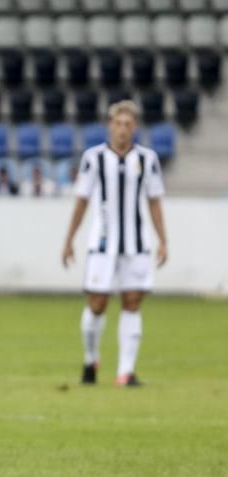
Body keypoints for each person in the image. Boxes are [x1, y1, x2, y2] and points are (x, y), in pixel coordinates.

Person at [61, 100, 168, 387]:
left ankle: (126, 371)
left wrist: (163, 240)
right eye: (118, 123)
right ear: (110, 125)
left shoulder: (147, 159)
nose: (122, 129)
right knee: (97, 303)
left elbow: (154, 201)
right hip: (102, 243)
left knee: (132, 302)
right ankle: (90, 358)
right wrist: (69, 239)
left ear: (135, 127)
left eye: (128, 124)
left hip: (136, 244)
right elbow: (82, 201)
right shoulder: (93, 158)